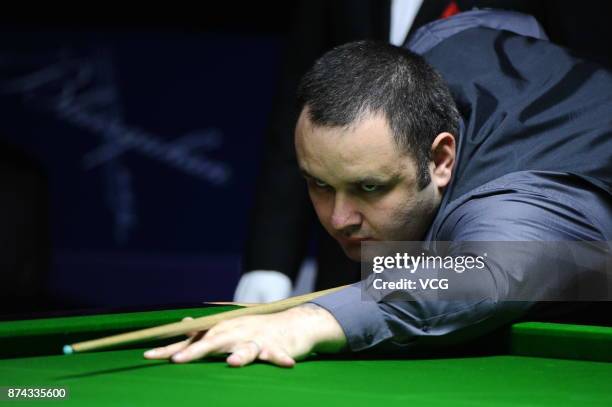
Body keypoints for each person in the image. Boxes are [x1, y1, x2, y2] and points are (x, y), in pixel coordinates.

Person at [146, 11, 612, 367]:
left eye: (369, 187)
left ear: (441, 160)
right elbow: (508, 24)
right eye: (319, 185)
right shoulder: (430, 49)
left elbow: (485, 274)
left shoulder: (524, 202)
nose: (338, 218)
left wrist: (310, 319)